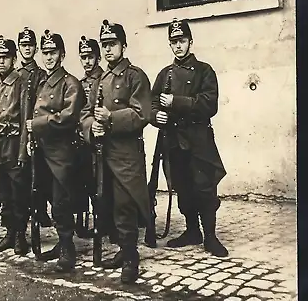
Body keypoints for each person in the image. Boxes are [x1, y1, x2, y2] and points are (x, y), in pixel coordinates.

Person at [81, 20, 152, 284]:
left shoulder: (136, 76)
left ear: (124, 45)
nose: (108, 50)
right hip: (103, 153)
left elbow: (142, 113)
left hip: (126, 153)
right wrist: (92, 129)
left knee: (125, 204)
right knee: (108, 204)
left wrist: (110, 119)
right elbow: (86, 113)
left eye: (112, 44)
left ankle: (131, 257)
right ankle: (124, 250)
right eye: (105, 45)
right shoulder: (102, 79)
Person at [150, 18, 228, 257]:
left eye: (182, 41)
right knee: (182, 186)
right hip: (174, 140)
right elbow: (151, 103)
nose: (178, 46)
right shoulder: (165, 75)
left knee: (204, 187)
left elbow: (209, 104)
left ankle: (210, 236)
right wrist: (156, 117)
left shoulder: (205, 71)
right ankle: (192, 230)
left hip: (198, 139)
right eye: (174, 42)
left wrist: (177, 102)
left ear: (190, 42)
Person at [26, 30, 85, 272]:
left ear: (62, 55)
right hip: (42, 151)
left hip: (61, 152)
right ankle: (61, 244)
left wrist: (38, 125)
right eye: (45, 52)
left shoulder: (70, 83)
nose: (48, 57)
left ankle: (68, 249)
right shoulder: (41, 82)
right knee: (50, 200)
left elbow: (69, 117)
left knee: (62, 201)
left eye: (53, 52)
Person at [0, 35, 30, 254]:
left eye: (6, 57)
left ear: (13, 59)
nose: (1, 61)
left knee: (18, 194)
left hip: (13, 147)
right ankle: (9, 234)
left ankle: (20, 235)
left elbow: (24, 120)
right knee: (1, 193)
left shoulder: (20, 84)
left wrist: (22, 152)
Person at [75, 36, 117, 242]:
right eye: (83, 57)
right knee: (87, 182)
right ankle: (91, 222)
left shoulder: (104, 79)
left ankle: (107, 223)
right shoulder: (80, 83)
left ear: (98, 57)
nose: (87, 62)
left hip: (104, 140)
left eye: (91, 57)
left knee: (105, 183)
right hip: (85, 139)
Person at [17, 26, 53, 229]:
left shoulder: (40, 75)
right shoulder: (14, 75)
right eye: (24, 45)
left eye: (31, 45)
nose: (27, 49)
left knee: (38, 171)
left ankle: (40, 210)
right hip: (16, 129)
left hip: (33, 127)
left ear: (36, 48)